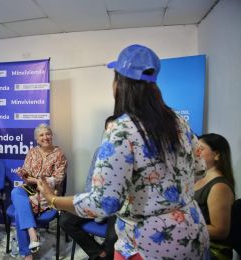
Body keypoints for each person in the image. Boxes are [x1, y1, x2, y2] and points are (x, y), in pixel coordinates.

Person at [36, 44, 210, 259]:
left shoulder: (121, 129)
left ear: (119, 83)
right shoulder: (178, 121)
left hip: (150, 243)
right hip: (192, 231)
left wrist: (52, 198)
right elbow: (201, 170)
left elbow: (103, 203)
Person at [60, 115, 117, 260]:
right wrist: (91, 204)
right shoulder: (99, 151)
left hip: (115, 209)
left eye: (115, 129)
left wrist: (103, 211)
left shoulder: (128, 154)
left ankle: (104, 254)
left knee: (111, 239)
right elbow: (89, 180)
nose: (111, 133)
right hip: (96, 201)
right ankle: (98, 253)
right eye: (108, 130)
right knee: (66, 221)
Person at [11, 123, 67, 260]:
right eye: (41, 135)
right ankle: (32, 233)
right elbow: (27, 177)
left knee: (20, 212)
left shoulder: (59, 154)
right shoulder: (32, 152)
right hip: (31, 188)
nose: (45, 137)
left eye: (47, 134)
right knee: (15, 192)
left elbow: (58, 179)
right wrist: (23, 173)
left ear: (51, 136)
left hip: (48, 192)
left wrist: (38, 181)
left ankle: (27, 254)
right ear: (37, 139)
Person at [195, 133, 235, 259]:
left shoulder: (219, 187)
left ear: (216, 155)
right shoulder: (195, 180)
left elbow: (220, 231)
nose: (195, 153)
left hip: (212, 251)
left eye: (200, 149)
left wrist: (183, 228)